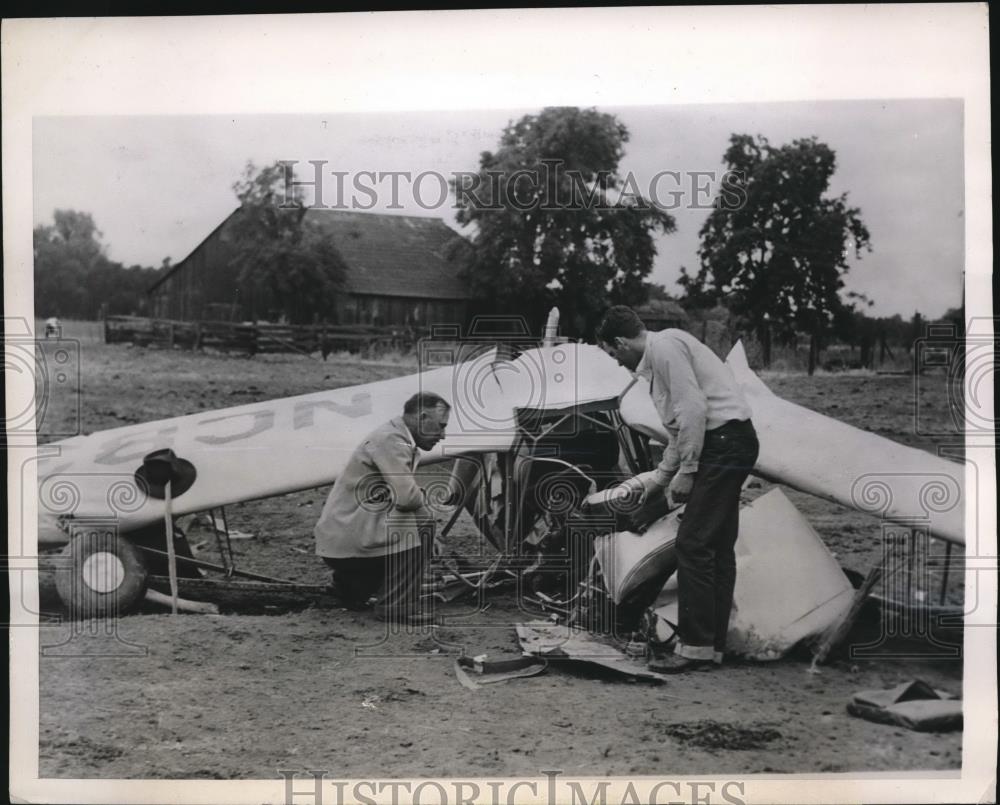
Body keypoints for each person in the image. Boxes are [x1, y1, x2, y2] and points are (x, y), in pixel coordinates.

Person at [595, 306, 759, 673]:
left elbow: (693, 411)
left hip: (723, 443)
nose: (617, 362)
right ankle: (711, 647)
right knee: (715, 546)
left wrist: (687, 470)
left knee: (693, 543)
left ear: (620, 343)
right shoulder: (660, 356)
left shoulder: (666, 348)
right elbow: (679, 431)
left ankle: (696, 646)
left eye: (612, 353)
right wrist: (660, 481)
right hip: (728, 443)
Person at [314, 392, 450, 626]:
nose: (443, 435)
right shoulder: (392, 439)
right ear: (422, 416)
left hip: (341, 539)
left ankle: (349, 588)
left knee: (416, 523)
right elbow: (407, 498)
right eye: (440, 426)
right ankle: (396, 606)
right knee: (422, 525)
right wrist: (428, 524)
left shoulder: (394, 436)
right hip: (347, 541)